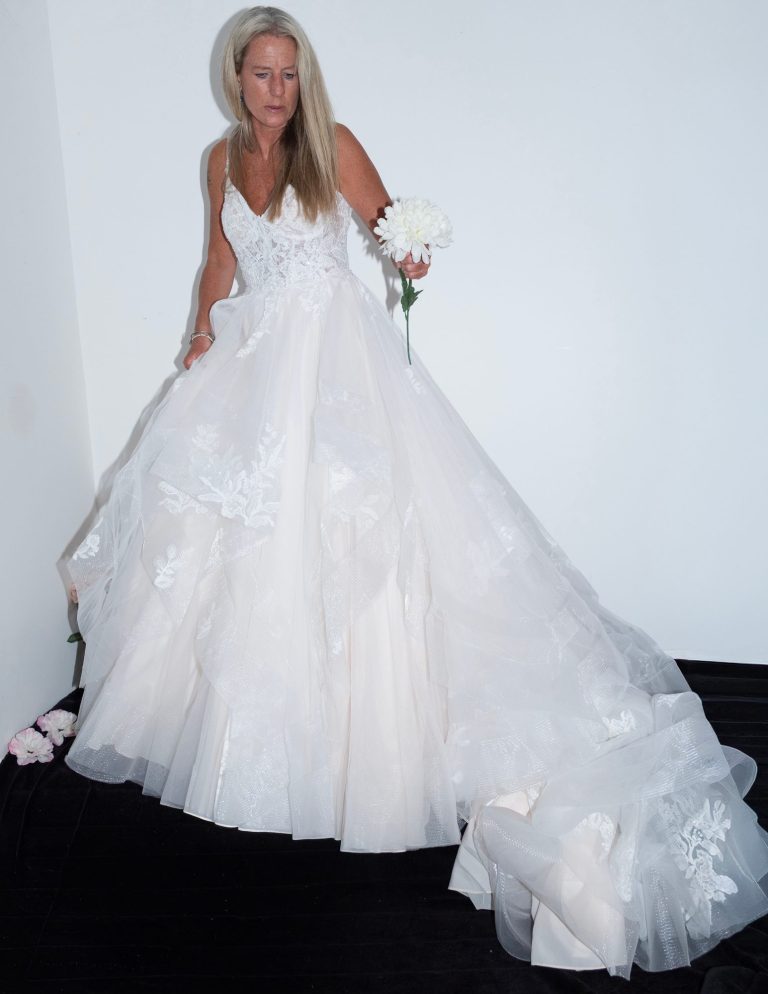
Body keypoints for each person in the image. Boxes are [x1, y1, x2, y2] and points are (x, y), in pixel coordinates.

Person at [62, 5, 768, 979]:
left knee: (365, 555)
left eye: (288, 74)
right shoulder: (220, 162)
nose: (276, 91)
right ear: (236, 78)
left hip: (334, 379)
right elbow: (219, 263)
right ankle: (275, 769)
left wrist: (413, 253)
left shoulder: (331, 144)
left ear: (303, 79)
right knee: (242, 564)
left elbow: (387, 231)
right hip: (253, 375)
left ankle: (382, 770)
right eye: (260, 75)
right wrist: (196, 337)